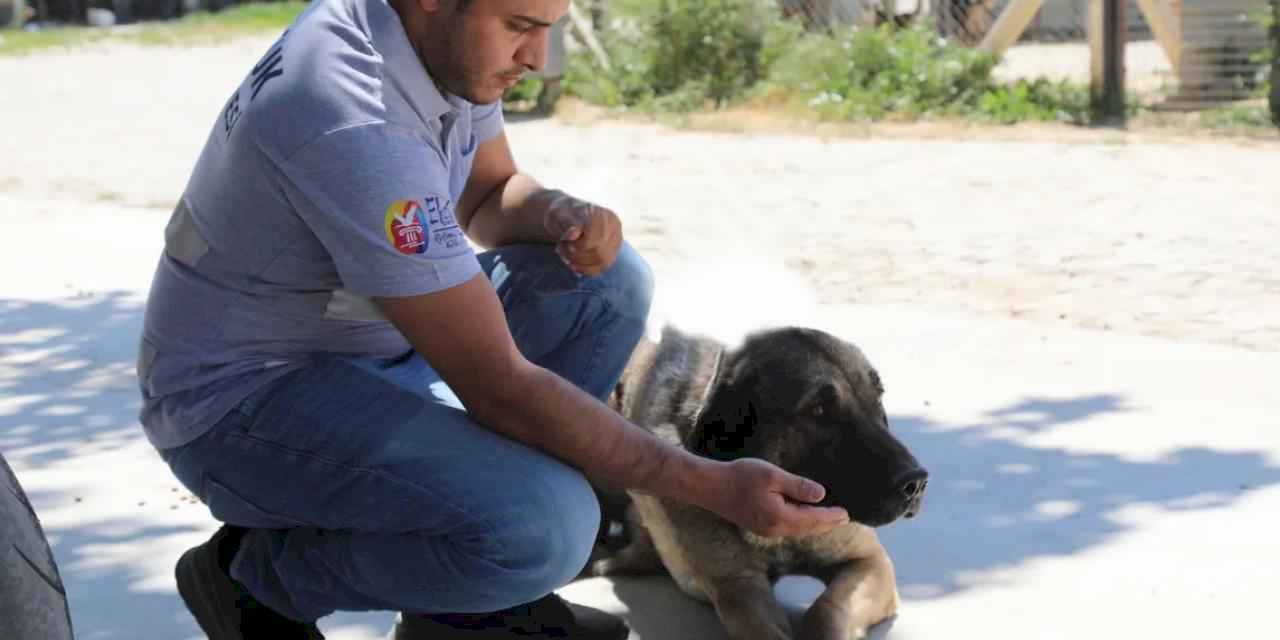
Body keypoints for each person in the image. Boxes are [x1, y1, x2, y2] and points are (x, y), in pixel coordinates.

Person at [135, 0, 852, 637]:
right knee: (545, 527)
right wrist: (707, 484)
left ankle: (467, 616)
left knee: (605, 286)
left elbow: (486, 195)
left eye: (549, 29)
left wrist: (555, 212)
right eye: (520, 27)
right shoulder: (356, 117)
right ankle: (258, 579)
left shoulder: (432, 45)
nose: (536, 58)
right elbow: (502, 389)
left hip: (363, 344)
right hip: (241, 403)